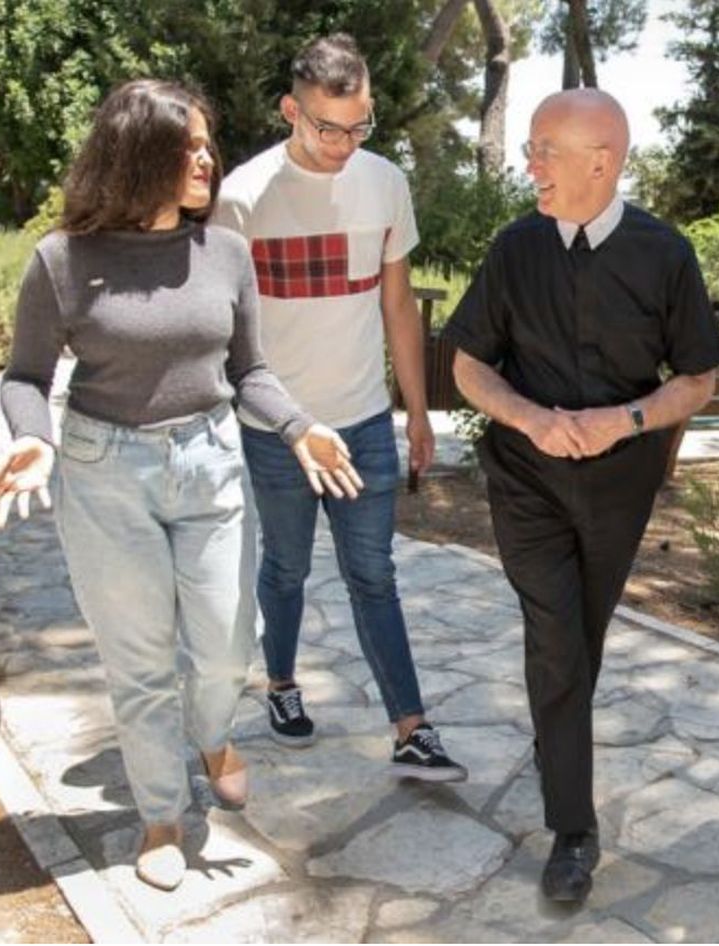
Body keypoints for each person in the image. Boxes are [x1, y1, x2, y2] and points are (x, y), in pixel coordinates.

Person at [0, 79, 362, 892]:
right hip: (103, 471)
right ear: (137, 154)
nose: (206, 159)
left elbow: (248, 369)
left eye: (206, 145)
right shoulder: (62, 259)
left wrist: (300, 425)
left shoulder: (223, 250)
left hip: (212, 462)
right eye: (187, 146)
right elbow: (24, 376)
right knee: (141, 660)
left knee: (229, 643)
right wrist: (33, 440)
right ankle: (161, 816)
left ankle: (213, 734)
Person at [443, 89, 719, 903]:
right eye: (530, 148)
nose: (526, 164)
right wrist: (532, 419)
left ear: (599, 162)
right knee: (556, 637)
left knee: (583, 635)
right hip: (525, 478)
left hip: (619, 485)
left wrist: (625, 419)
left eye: (542, 149)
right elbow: (467, 364)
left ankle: (555, 735)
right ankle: (574, 829)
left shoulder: (665, 254)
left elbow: (699, 377)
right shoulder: (513, 249)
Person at [211, 34, 466, 781]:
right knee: (285, 569)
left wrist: (415, 411)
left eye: (361, 126)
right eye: (329, 127)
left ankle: (410, 728)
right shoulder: (241, 198)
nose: (346, 144)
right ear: (292, 109)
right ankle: (282, 687)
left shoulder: (385, 183)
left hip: (360, 421)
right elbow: (228, 327)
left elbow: (396, 306)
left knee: (373, 573)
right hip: (279, 430)